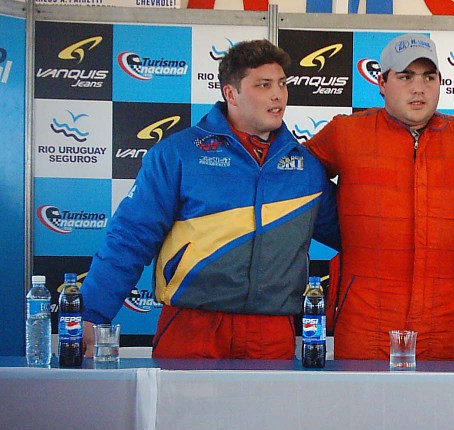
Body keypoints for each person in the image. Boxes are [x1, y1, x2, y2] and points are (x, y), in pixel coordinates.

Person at [80, 39, 339, 359]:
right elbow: (130, 237)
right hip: (191, 326)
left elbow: (355, 233)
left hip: (270, 331)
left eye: (282, 84)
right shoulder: (179, 154)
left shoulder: (305, 168)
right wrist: (92, 314)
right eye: (263, 85)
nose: (278, 95)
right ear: (231, 93)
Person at [305, 33, 454, 360]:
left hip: (443, 319)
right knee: (361, 395)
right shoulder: (345, 132)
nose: (419, 88)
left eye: (429, 78)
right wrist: (343, 228)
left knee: (441, 395)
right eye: (405, 77)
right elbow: (295, 180)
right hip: (364, 318)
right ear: (381, 82)